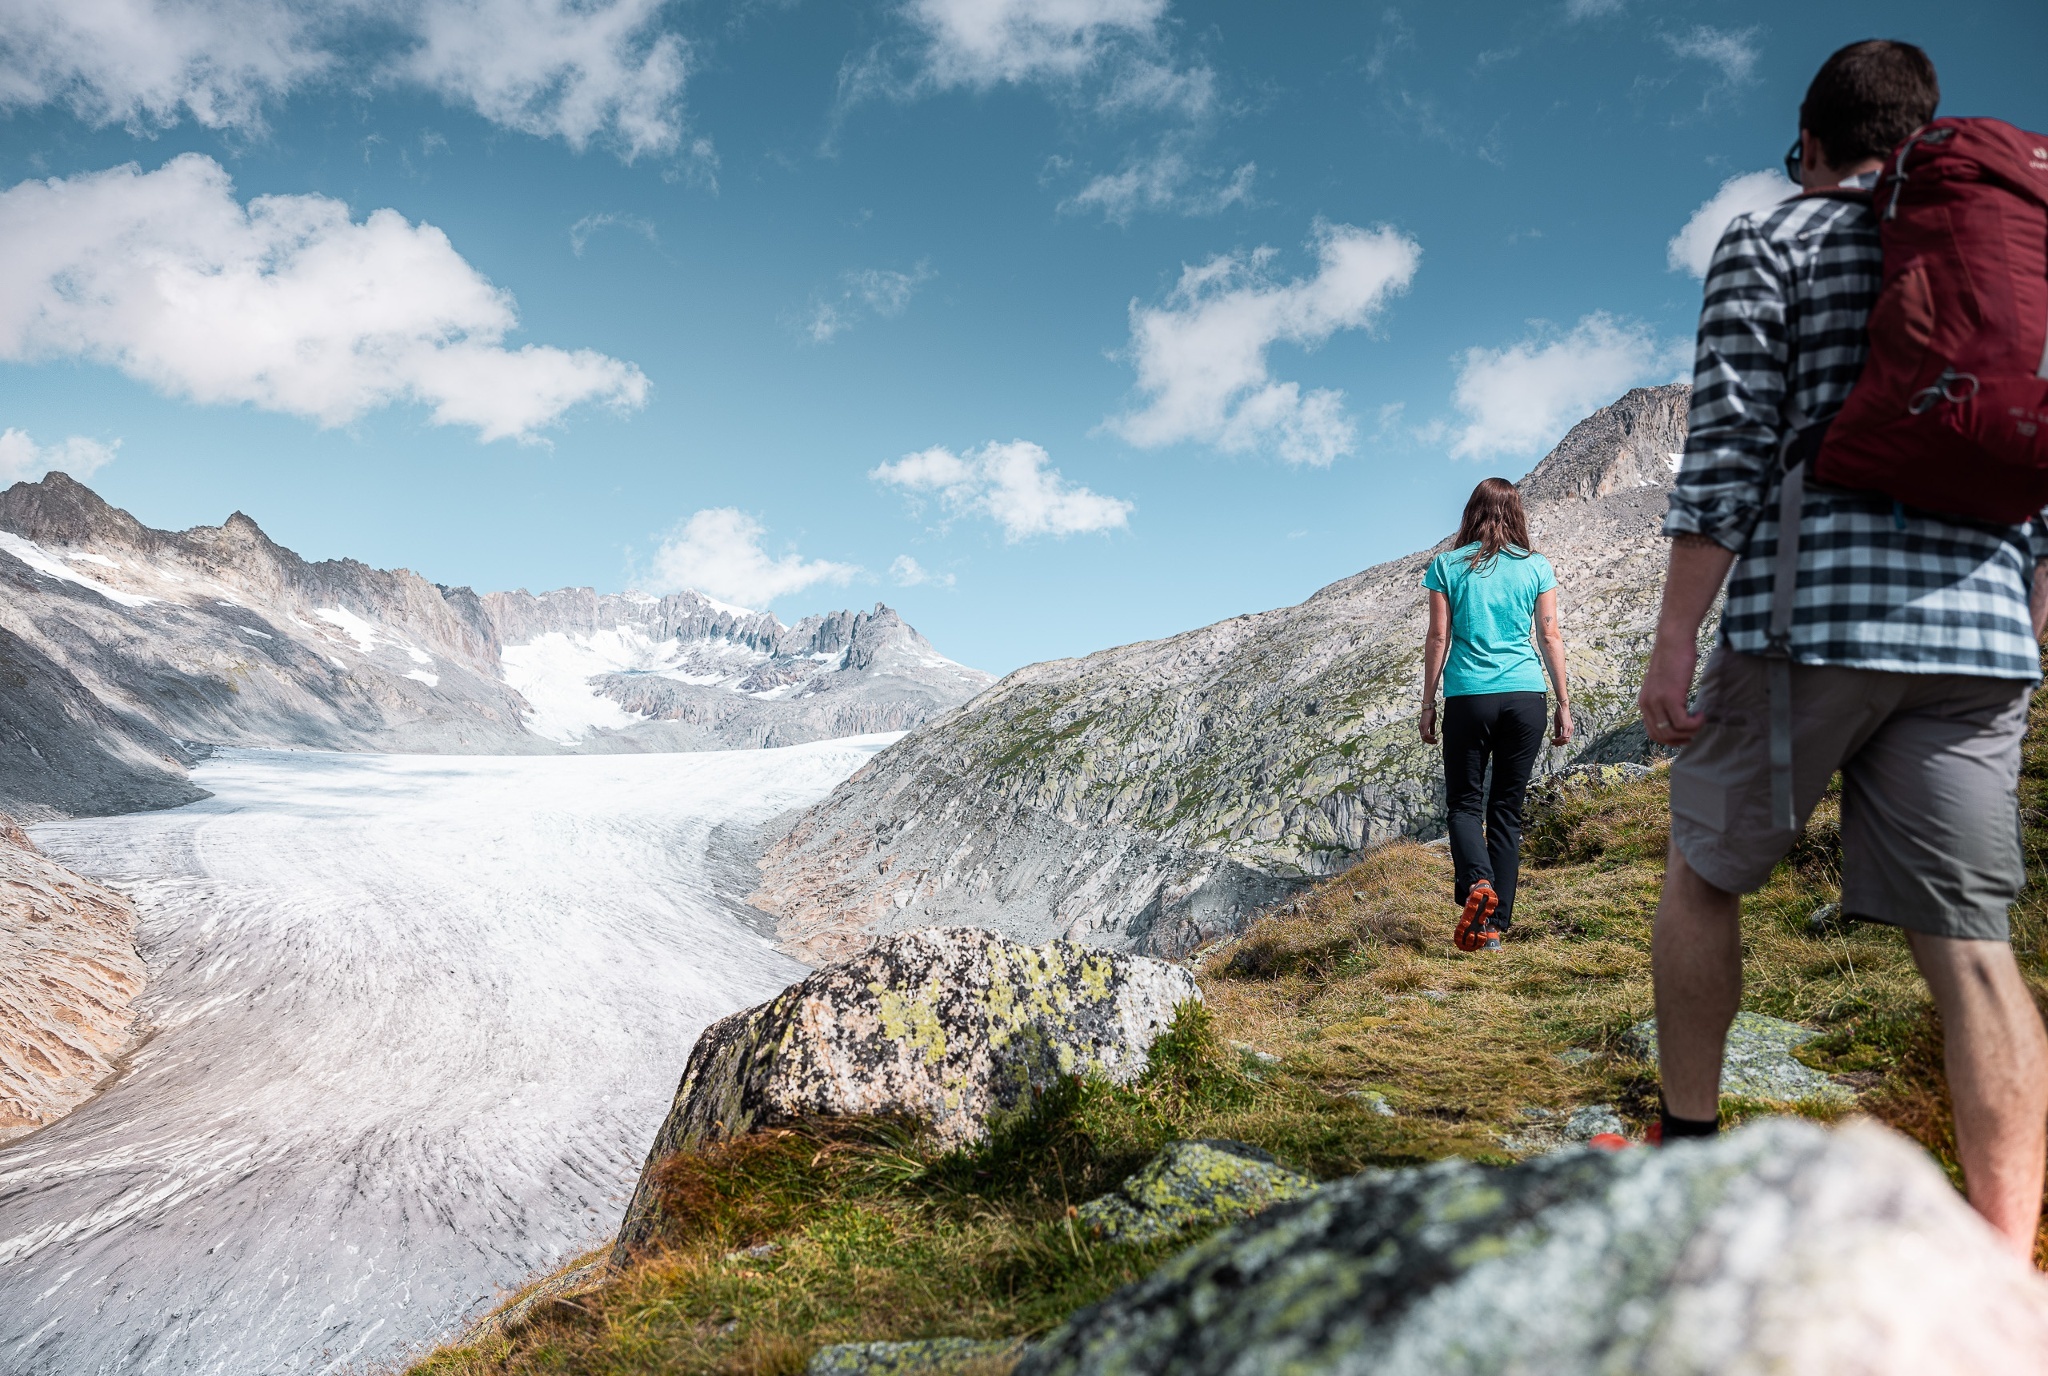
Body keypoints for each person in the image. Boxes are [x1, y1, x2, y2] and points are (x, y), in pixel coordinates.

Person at [1641, 39, 2048, 1256]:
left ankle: (1686, 1166)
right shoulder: (2015, 254)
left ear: (1810, 144)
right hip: (1978, 640)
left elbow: (1726, 445)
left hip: (1803, 618)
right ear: (1915, 136)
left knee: (1703, 874)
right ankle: (2004, 1264)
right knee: (1975, 949)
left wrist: (1674, 636)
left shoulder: (1775, 238)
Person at [1421, 478, 1573, 952]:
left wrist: (1428, 704)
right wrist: (1564, 704)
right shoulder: (1536, 567)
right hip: (1527, 695)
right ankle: (1493, 929)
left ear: (1471, 512)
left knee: (1465, 804)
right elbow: (1550, 637)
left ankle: (1478, 885)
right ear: (1516, 514)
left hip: (1469, 697)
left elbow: (1438, 639)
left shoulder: (1446, 566)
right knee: (1507, 808)